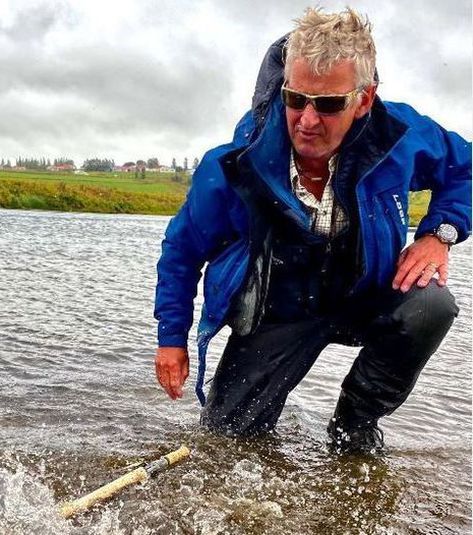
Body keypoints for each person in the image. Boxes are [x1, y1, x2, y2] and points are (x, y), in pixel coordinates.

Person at [153, 7, 471, 453]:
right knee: (224, 445)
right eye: (295, 98)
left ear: (363, 99)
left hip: (368, 290)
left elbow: (465, 168)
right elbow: (182, 251)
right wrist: (172, 339)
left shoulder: (401, 136)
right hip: (281, 306)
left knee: (431, 304)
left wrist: (439, 234)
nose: (306, 119)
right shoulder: (234, 164)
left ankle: (354, 423)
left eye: (328, 104)